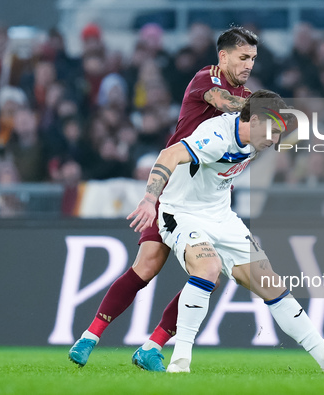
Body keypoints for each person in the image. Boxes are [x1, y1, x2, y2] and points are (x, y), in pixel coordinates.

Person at [128, 89, 324, 373]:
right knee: (208, 268)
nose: (275, 139)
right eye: (272, 131)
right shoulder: (216, 137)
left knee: (270, 282)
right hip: (182, 214)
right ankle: (180, 362)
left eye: (280, 133)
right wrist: (149, 200)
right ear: (254, 121)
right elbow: (169, 154)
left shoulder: (257, 141)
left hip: (222, 217)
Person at [69, 26, 258, 369]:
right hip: (174, 186)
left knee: (208, 272)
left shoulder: (245, 92)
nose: (249, 65)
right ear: (224, 56)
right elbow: (226, 104)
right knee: (147, 266)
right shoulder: (208, 79)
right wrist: (264, 109)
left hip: (205, 200)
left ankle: (152, 347)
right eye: (244, 57)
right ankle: (89, 337)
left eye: (253, 59)